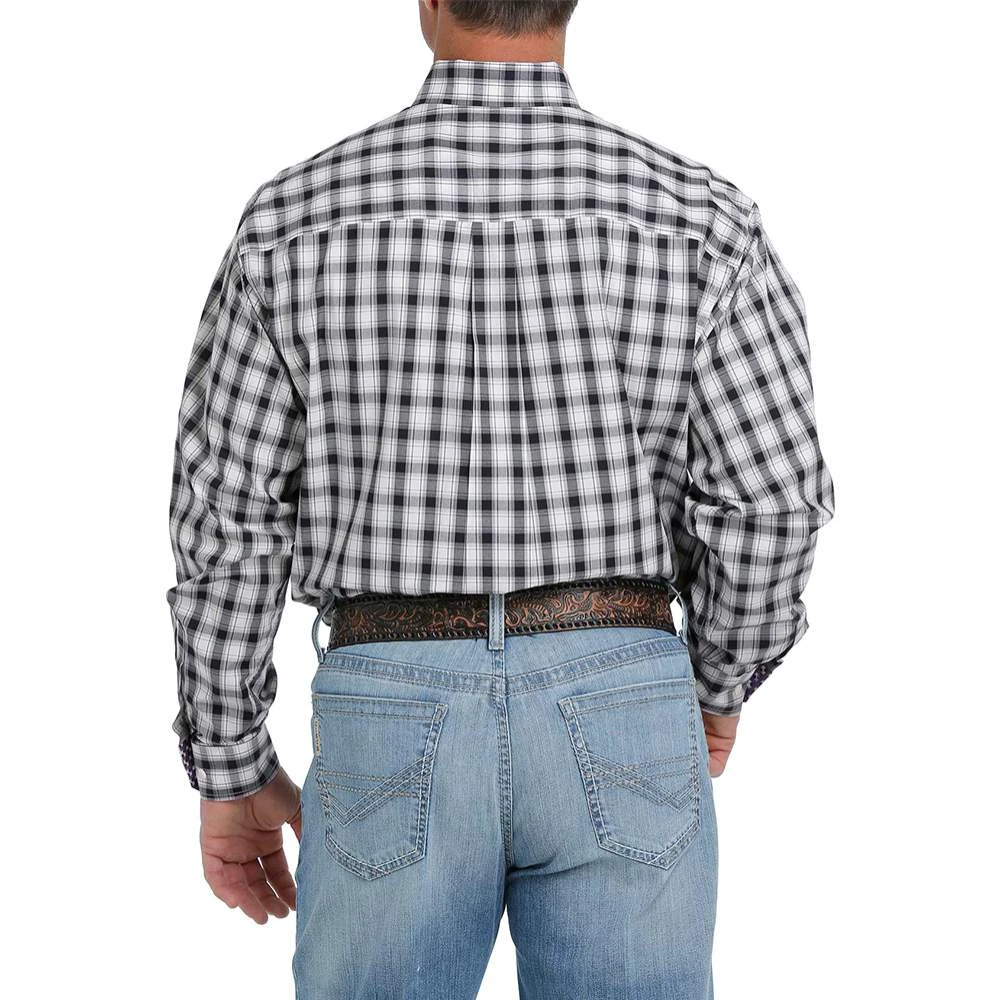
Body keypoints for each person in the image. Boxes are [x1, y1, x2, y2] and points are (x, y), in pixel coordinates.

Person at [165, 1, 836, 996]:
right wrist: (711, 684)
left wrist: (229, 764)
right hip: (623, 688)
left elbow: (227, 522)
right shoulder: (702, 221)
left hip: (389, 695)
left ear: (429, 1)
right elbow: (772, 498)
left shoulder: (293, 221)